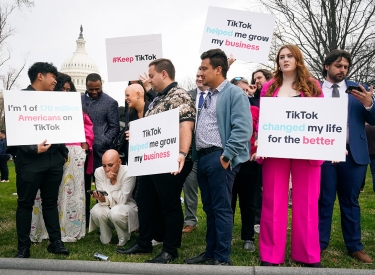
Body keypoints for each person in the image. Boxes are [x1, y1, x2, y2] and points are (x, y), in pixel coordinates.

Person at [117, 58, 196, 264]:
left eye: (151, 76)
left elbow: (186, 125)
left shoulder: (180, 95)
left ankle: (170, 250)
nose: (149, 80)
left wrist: (182, 153)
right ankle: (144, 241)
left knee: (168, 203)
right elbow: (153, 129)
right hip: (152, 160)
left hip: (171, 159)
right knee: (144, 198)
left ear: (164, 74)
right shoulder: (158, 99)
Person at [257, 45, 323, 267]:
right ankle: (270, 254)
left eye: (289, 56)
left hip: (307, 149)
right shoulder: (269, 86)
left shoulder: (313, 86)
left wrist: (330, 143)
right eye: (281, 57)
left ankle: (307, 254)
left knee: (307, 203)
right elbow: (264, 118)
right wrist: (259, 139)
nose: (285, 60)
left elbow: (323, 118)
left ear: (297, 59)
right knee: (273, 200)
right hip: (276, 149)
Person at [185, 49, 252, 265]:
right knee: (210, 209)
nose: (201, 72)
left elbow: (243, 129)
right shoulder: (207, 96)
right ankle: (210, 253)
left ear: (218, 69)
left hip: (219, 158)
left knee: (222, 208)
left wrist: (227, 156)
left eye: (204, 68)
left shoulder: (234, 93)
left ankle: (222, 258)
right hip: (203, 159)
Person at [318, 49, 375, 264]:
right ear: (327, 66)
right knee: (324, 200)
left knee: (350, 201)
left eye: (346, 67)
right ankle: (319, 244)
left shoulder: (357, 89)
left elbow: (373, 117)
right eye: (338, 66)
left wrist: (369, 103)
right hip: (323, 152)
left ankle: (354, 246)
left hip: (353, 154)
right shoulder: (313, 89)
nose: (343, 70)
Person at [14, 62, 70, 258]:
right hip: (30, 160)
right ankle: (23, 247)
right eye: (52, 76)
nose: (55, 80)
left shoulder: (56, 100)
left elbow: (61, 126)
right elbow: (13, 130)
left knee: (50, 202)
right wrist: (32, 148)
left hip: (54, 159)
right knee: (25, 203)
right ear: (40, 76)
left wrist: (62, 153)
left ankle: (56, 242)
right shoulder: (19, 98)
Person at [81, 73, 119, 226]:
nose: (94, 92)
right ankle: (82, 219)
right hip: (81, 151)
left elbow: (114, 127)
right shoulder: (79, 100)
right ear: (86, 86)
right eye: (91, 89)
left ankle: (102, 220)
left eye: (97, 89)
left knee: (100, 188)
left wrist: (103, 140)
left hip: (100, 152)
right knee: (81, 187)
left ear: (101, 85)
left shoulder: (110, 102)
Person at [229, 77, 260, 251]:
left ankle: (248, 237)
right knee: (229, 201)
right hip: (231, 161)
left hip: (249, 162)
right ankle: (226, 235)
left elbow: (261, 132)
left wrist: (257, 149)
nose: (243, 93)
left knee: (248, 202)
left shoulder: (255, 110)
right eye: (239, 90)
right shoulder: (226, 109)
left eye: (245, 90)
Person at [89, 149, 138, 246]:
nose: (107, 169)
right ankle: (106, 239)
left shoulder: (128, 172)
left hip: (126, 206)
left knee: (115, 212)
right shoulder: (98, 172)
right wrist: (102, 199)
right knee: (96, 211)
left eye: (110, 165)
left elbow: (122, 200)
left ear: (119, 162)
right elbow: (103, 197)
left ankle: (124, 238)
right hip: (108, 206)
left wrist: (114, 181)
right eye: (104, 166)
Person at [182, 69, 209, 234]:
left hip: (208, 149)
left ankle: (211, 218)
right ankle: (190, 220)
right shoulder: (187, 95)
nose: (199, 78)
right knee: (189, 186)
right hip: (191, 149)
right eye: (197, 76)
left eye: (202, 76)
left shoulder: (216, 95)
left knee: (208, 188)